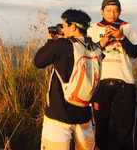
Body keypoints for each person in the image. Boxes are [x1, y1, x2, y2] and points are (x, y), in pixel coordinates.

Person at [34, 9, 98, 150]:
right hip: (84, 112)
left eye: (64, 25)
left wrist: (51, 42)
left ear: (73, 27)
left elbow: (38, 62)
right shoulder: (94, 47)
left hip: (59, 114)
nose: (62, 28)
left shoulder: (63, 45)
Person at [88, 0, 137, 150]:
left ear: (120, 11)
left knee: (125, 125)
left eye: (116, 11)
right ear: (102, 11)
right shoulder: (93, 29)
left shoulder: (128, 27)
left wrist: (121, 37)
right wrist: (104, 41)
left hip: (125, 82)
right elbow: (89, 54)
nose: (112, 14)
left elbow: (134, 53)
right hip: (100, 82)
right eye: (109, 10)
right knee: (99, 125)